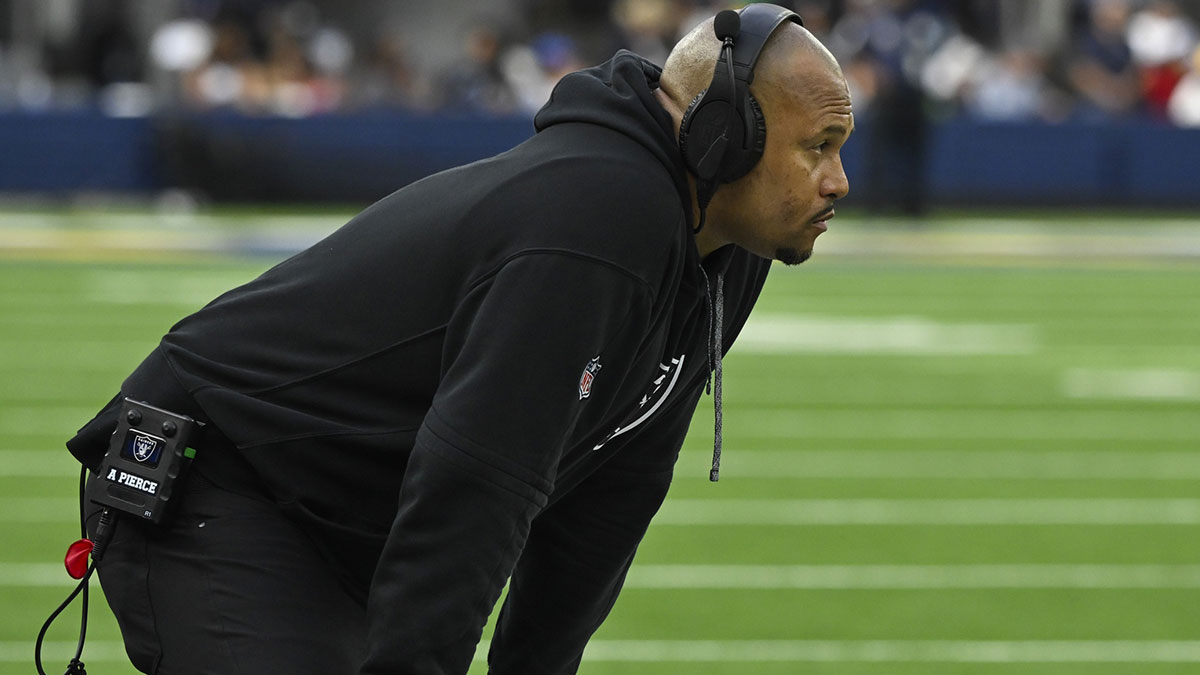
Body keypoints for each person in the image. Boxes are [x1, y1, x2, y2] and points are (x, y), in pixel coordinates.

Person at [65, 4, 852, 674]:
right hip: (222, 471)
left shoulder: (727, 250)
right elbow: (475, 484)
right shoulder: (600, 222)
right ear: (723, 139)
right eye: (816, 145)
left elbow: (617, 483)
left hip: (334, 515)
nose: (838, 180)